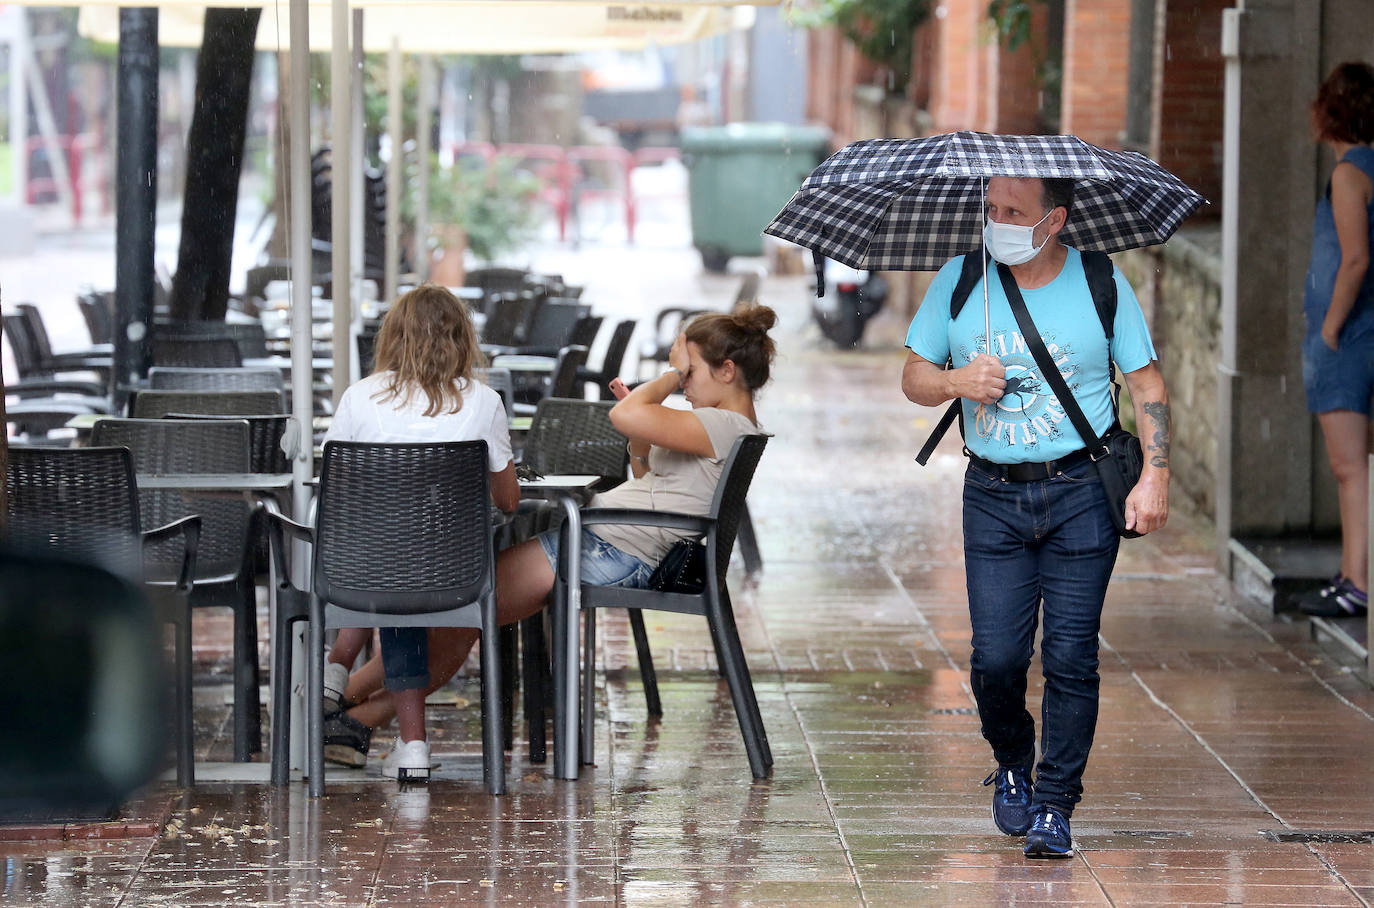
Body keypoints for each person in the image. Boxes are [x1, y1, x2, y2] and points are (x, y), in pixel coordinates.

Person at [323, 305, 778, 773]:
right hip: (617, 544)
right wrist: (643, 439)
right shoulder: (725, 425)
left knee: (456, 605)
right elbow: (649, 475)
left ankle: (337, 708)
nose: (684, 381)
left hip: (612, 548)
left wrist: (663, 376)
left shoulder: (721, 425)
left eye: (691, 370)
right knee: (457, 617)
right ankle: (346, 713)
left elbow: (624, 415)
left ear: (727, 371)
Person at [901, 176, 1171, 859]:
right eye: (990, 210)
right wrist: (956, 382)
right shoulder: (963, 281)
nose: (997, 223)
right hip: (992, 493)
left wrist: (1157, 477)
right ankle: (1014, 758)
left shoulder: (1101, 280)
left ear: (1054, 220)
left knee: (1072, 656)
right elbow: (913, 375)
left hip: (1081, 491)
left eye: (1013, 212)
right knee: (995, 660)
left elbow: (1146, 384)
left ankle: (1056, 805)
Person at [317, 284, 521, 780]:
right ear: (462, 339)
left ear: (392, 335)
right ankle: (410, 746)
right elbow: (509, 502)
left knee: (388, 551)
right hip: (454, 571)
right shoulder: (483, 400)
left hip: (360, 565)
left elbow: (336, 486)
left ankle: (340, 674)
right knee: (409, 557)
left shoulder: (359, 397)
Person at [1297, 61, 1374, 619]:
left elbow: (1355, 259)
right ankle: (1354, 575)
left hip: (1351, 340)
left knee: (1350, 467)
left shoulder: (1350, 174)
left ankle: (1356, 581)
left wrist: (1327, 332)